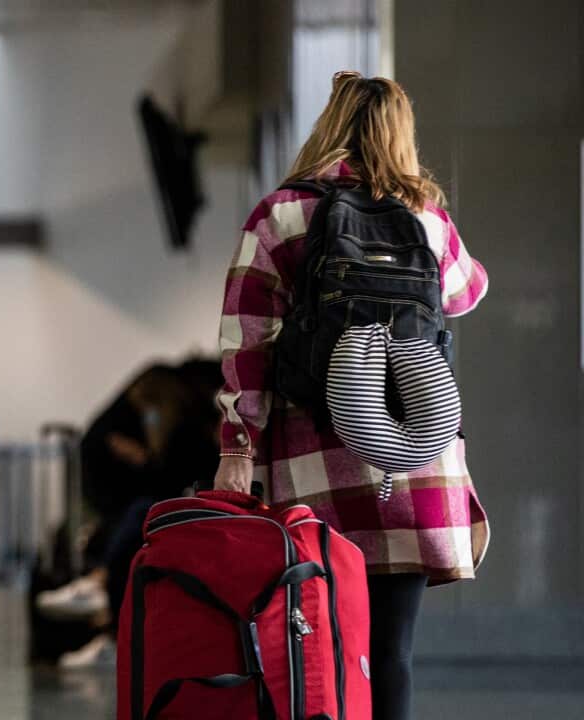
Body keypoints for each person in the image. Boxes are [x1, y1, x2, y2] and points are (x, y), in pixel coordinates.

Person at [213, 72, 489, 720]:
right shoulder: (427, 220)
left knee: (323, 640)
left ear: (329, 124)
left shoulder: (282, 214)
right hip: (416, 465)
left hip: (317, 467)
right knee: (392, 652)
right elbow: (468, 291)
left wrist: (237, 448)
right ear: (401, 133)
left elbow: (244, 342)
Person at [36, 360, 221, 667]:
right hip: (166, 504)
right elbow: (167, 479)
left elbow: (173, 480)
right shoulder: (179, 433)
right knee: (135, 517)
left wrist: (144, 461)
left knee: (139, 516)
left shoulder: (193, 433)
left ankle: (100, 589)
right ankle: (102, 603)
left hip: (193, 510)